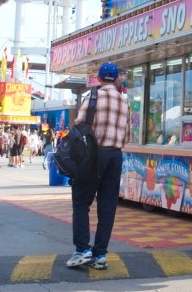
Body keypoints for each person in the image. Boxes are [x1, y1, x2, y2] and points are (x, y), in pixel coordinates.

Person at [66, 62, 130, 270]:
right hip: (115, 156)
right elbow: (127, 135)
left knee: (81, 201)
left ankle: (82, 249)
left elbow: (79, 124)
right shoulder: (124, 101)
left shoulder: (92, 97)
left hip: (93, 156)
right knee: (107, 206)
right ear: (117, 79)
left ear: (99, 78)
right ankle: (100, 255)